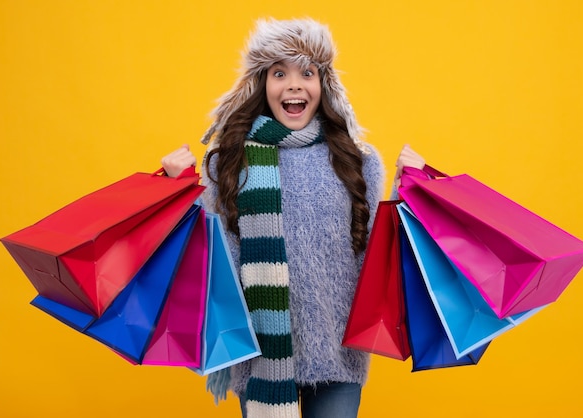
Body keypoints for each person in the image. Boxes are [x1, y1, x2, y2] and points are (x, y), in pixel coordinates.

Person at [161, 17, 425, 418]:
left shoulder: (356, 161)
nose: (294, 84)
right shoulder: (229, 161)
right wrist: (173, 187)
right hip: (259, 355)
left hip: (339, 351)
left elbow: (379, 252)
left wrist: (409, 190)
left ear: (326, 86)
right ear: (261, 84)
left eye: (308, 72)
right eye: (279, 72)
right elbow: (204, 252)